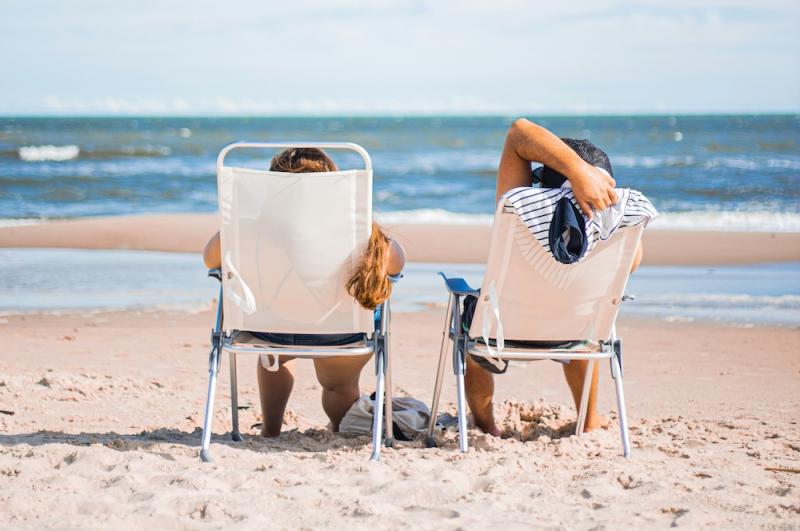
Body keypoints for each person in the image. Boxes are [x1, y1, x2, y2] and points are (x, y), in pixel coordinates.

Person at [202, 147, 406, 437]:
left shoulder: (250, 230)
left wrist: (235, 232)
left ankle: (270, 430)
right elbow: (396, 263)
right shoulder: (359, 232)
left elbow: (210, 259)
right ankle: (338, 428)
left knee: (272, 358)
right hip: (341, 335)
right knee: (338, 385)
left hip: (270, 331)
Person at [466, 118, 643, 436]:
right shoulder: (621, 237)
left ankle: (486, 426)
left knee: (471, 322)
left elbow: (519, 131)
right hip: (576, 334)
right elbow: (630, 262)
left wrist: (576, 171)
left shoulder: (518, 210)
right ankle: (588, 419)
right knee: (588, 311)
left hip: (503, 331)